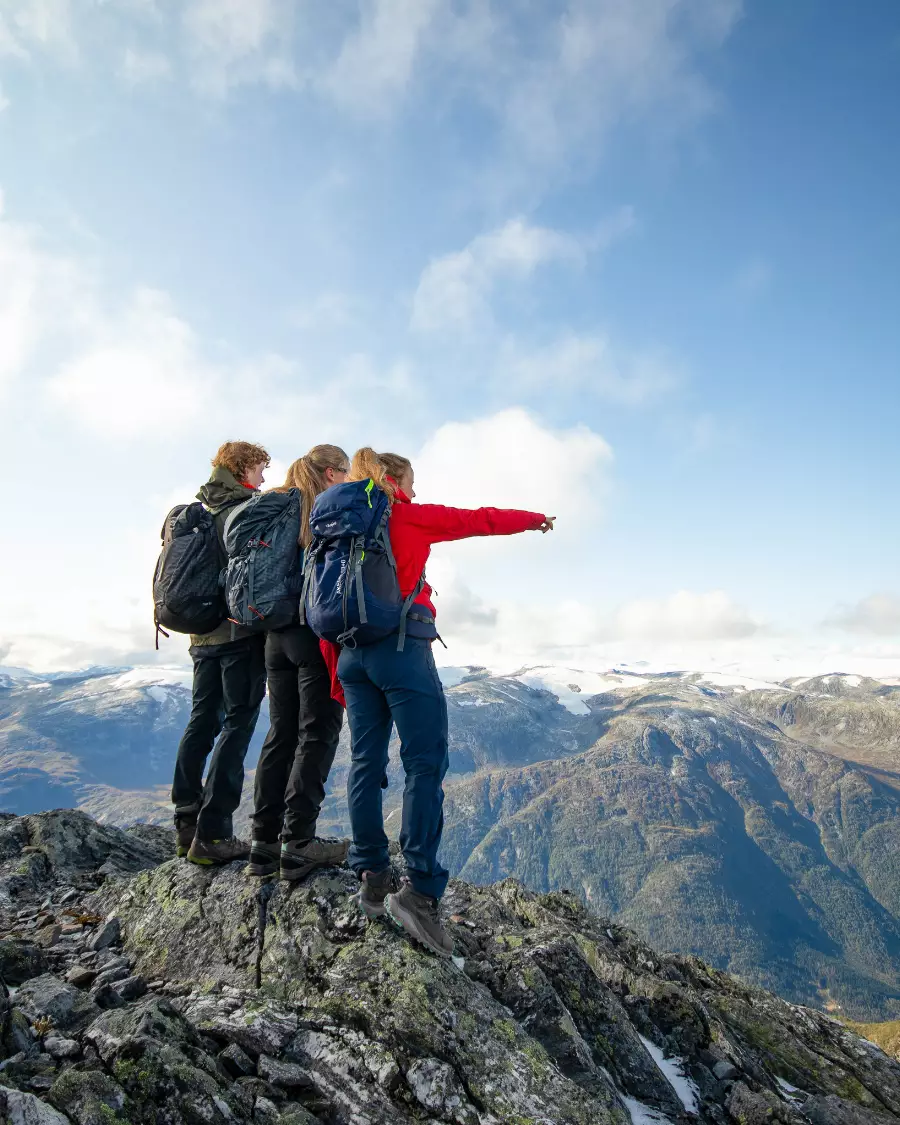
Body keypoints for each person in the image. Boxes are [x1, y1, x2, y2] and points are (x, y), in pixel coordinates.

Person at [337, 448, 554, 955]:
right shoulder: (406, 515)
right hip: (401, 652)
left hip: (350, 656)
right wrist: (534, 519)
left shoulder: (340, 522)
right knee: (425, 764)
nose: (415, 492)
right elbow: (477, 520)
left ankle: (372, 876)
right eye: (411, 483)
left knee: (365, 761)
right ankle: (419, 890)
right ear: (394, 480)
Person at [247, 445, 352, 881]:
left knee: (280, 734)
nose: (347, 480)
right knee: (318, 733)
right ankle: (299, 842)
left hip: (274, 636)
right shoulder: (322, 509)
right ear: (330, 473)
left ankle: (263, 844)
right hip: (311, 635)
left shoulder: (274, 505)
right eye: (344, 472)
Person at [171, 441, 270, 866]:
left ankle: (186, 823)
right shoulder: (244, 509)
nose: (263, 478)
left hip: (200, 637)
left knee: (201, 721)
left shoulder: (197, 510)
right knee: (238, 722)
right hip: (236, 635)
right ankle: (213, 833)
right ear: (244, 469)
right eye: (260, 469)